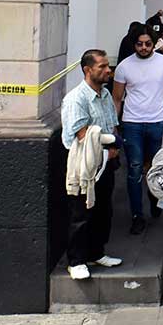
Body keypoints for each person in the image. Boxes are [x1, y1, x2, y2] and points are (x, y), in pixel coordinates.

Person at [61, 49, 123, 278]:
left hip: (107, 165)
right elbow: (82, 134)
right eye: (102, 67)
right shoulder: (76, 99)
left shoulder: (106, 95)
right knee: (81, 213)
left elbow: (112, 123)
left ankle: (97, 252)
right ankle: (76, 261)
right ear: (88, 70)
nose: (108, 70)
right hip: (85, 166)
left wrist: (115, 145)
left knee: (103, 210)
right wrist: (109, 144)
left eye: (108, 66)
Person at [113, 26, 163, 234]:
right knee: (134, 170)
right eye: (139, 44)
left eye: (148, 44)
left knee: (157, 166)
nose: (144, 48)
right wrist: (115, 125)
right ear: (134, 44)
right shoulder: (124, 67)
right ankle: (137, 215)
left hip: (158, 122)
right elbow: (117, 98)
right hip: (131, 124)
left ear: (154, 43)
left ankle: (154, 198)